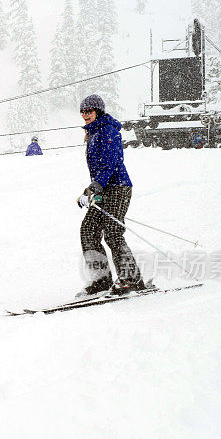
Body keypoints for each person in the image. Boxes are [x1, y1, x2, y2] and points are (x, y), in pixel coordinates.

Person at [76, 94, 145, 297]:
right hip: (103, 188)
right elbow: (97, 169)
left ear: (98, 111)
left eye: (89, 111)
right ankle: (101, 279)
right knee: (88, 229)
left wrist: (96, 185)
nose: (85, 115)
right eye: (82, 112)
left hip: (118, 187)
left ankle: (130, 279)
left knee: (113, 232)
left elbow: (110, 163)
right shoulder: (93, 134)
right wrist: (90, 191)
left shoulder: (107, 131)